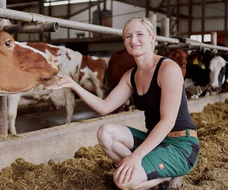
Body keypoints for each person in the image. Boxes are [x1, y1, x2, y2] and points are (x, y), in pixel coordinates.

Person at [44, 16, 199, 190]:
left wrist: (136, 156)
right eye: (128, 36)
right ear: (125, 42)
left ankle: (166, 173)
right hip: (154, 141)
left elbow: (167, 121)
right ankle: (147, 172)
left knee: (122, 182)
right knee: (106, 132)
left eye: (140, 34)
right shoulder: (131, 75)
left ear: (152, 38)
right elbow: (105, 107)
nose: (134, 40)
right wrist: (73, 85)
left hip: (181, 146)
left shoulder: (168, 69)